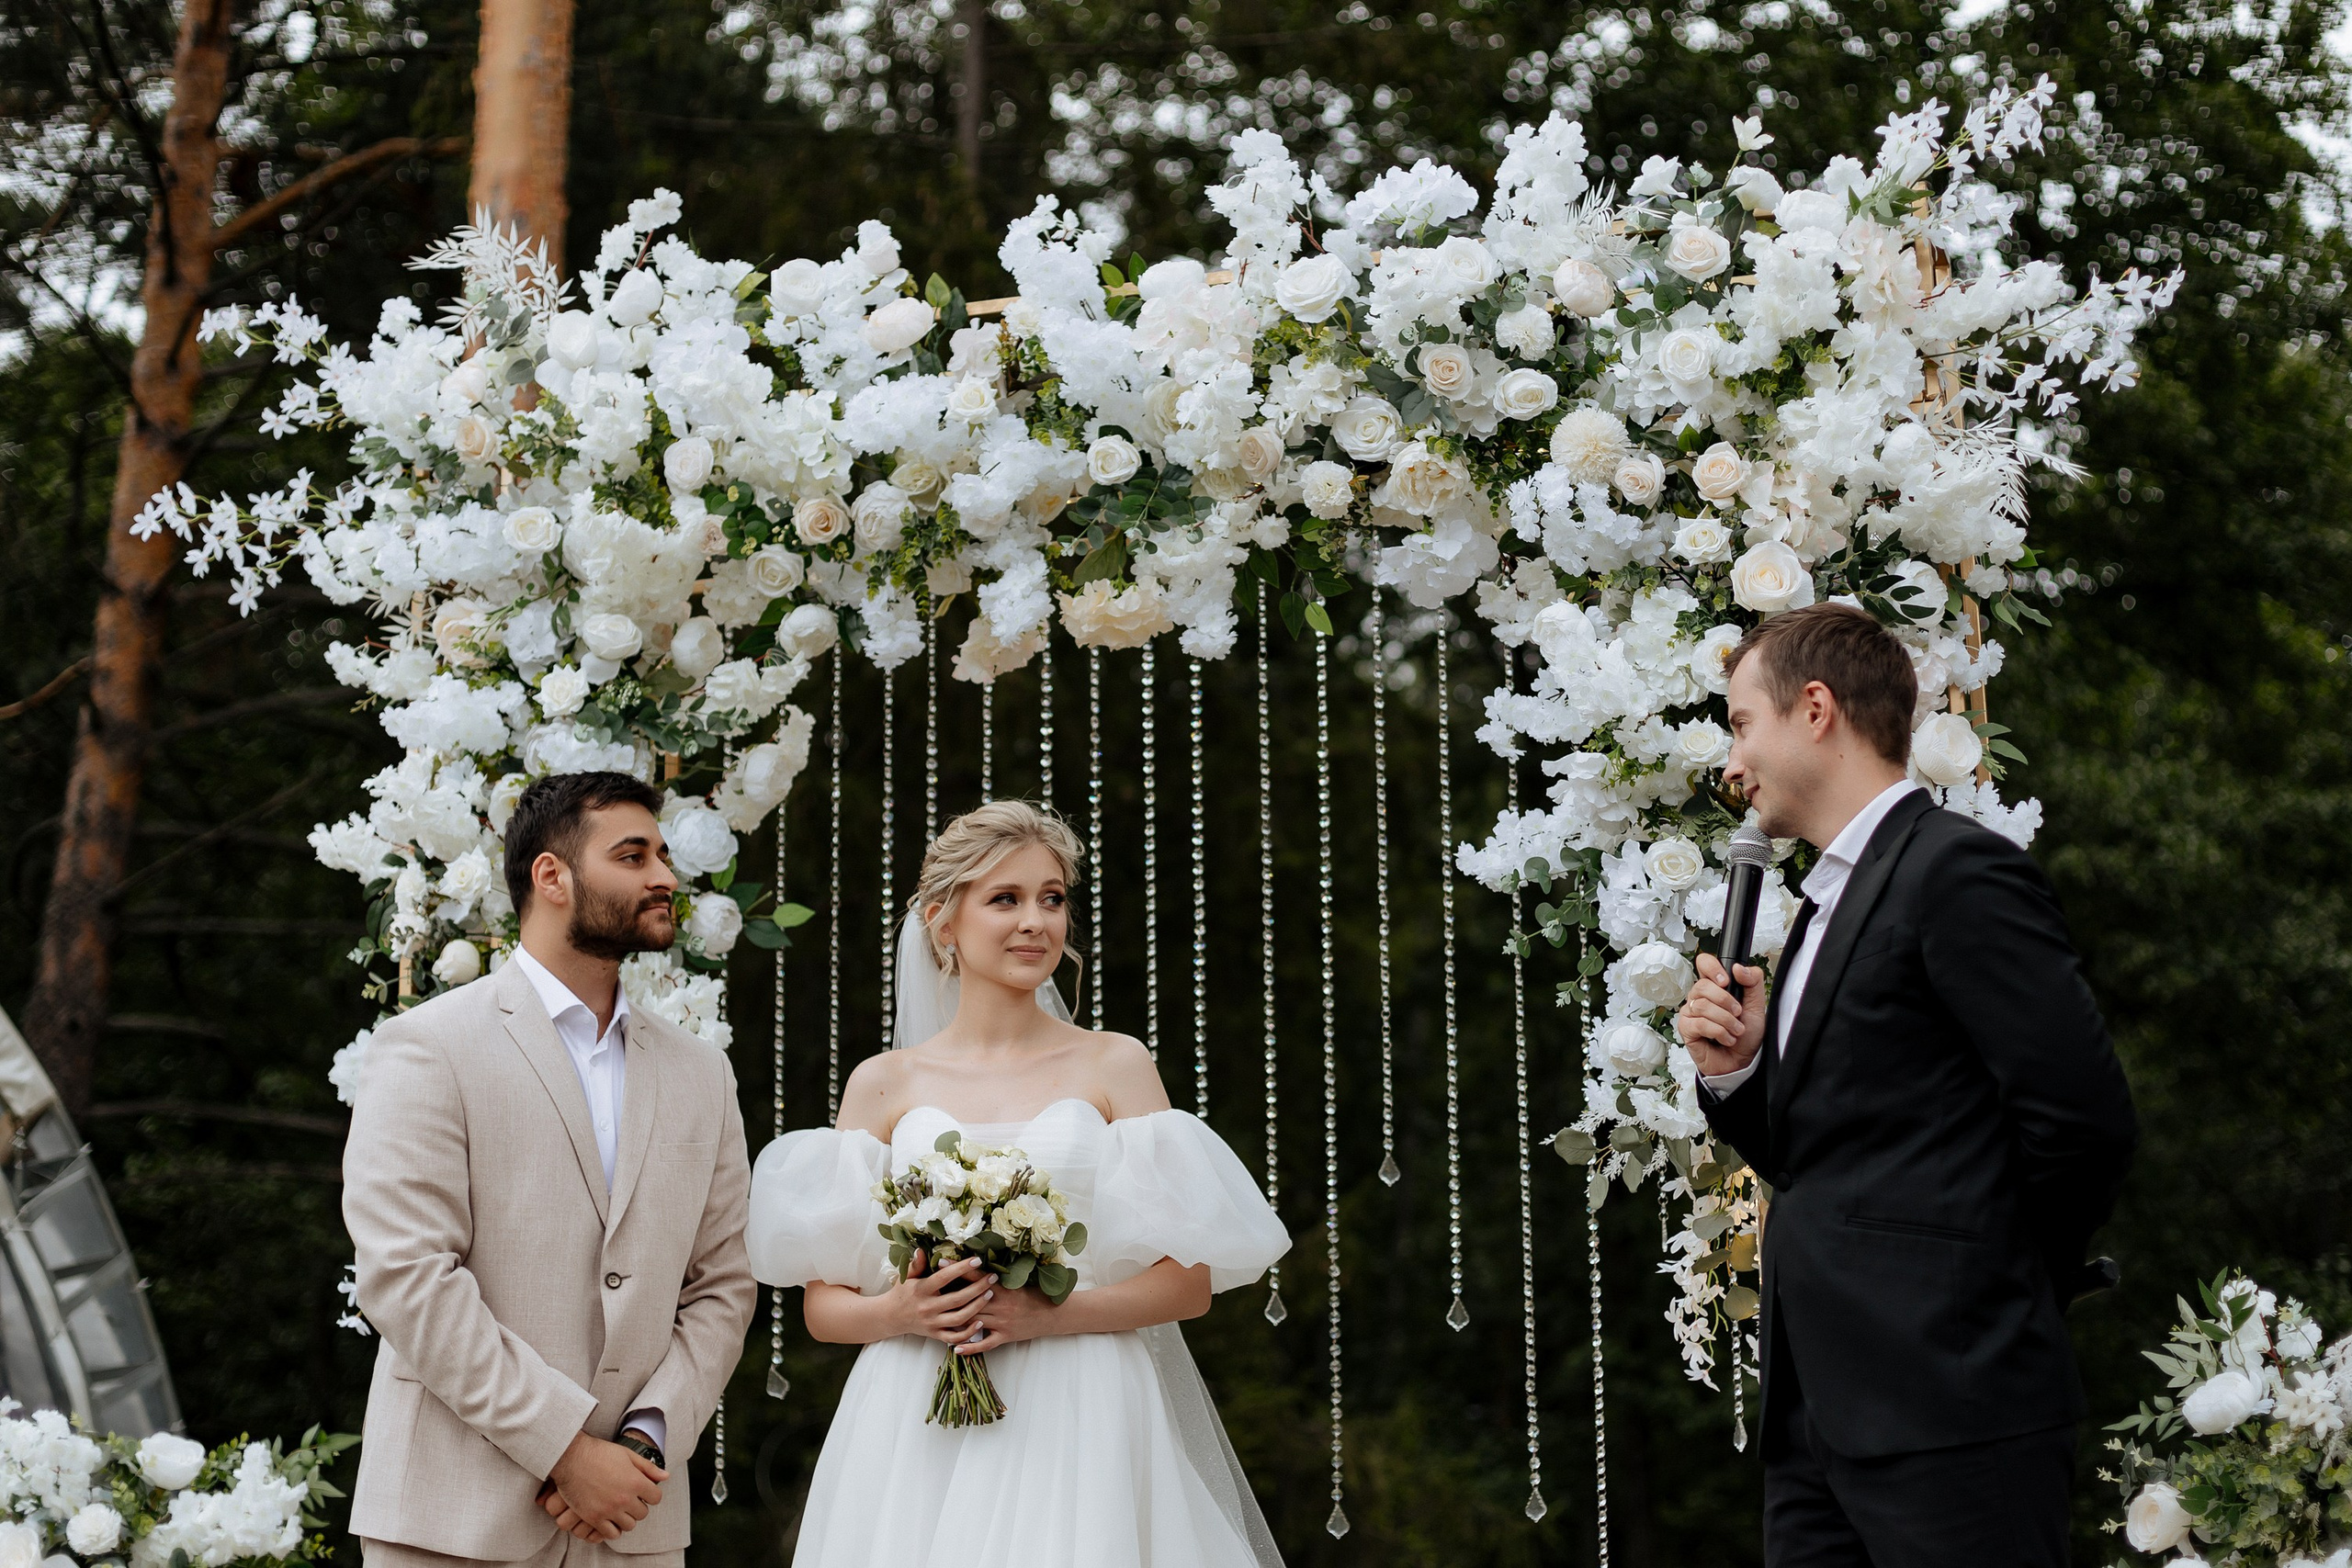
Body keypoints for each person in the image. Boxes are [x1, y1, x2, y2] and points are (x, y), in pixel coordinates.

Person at [1675, 603, 2137, 1568]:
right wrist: (1740, 1074)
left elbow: (2083, 1123)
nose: (1730, 763)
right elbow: (1827, 1158)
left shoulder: (1956, 872)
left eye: (1738, 723)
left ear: (1814, 709)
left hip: (1953, 1403)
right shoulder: (1820, 904)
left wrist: (1993, 1293)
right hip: (1818, 1423)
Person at [748, 800, 1290, 1567]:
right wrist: (902, 1307)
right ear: (943, 920)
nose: (1035, 920)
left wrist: (1049, 1314)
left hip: (1083, 1402)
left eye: (1052, 898)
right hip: (912, 1411)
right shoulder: (882, 1083)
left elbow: (1189, 1285)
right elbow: (823, 1310)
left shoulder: (1115, 1064)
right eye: (1005, 898)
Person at [344, 771, 756, 1567]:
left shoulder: (703, 1072)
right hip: (450, 1519)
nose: (665, 876)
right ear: (551, 875)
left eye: (664, 855)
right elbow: (407, 1274)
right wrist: (565, 1447)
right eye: (633, 855)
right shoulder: (428, 1046)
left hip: (632, 1523)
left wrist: (645, 1437)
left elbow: (723, 1285)